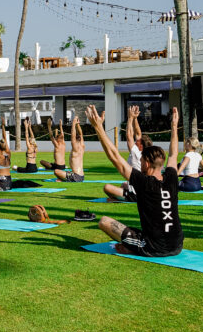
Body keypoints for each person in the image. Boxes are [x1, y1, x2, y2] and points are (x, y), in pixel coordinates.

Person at [87, 104, 183, 257]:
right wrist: (174, 125)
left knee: (104, 222)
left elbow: (114, 157)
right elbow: (174, 154)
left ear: (145, 163)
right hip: (177, 245)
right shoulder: (171, 178)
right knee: (134, 229)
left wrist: (98, 127)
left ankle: (134, 247)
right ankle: (134, 244)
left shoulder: (144, 182)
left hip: (155, 247)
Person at [103, 106, 152, 202]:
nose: (135, 141)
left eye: (137, 142)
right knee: (124, 184)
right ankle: (121, 196)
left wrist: (130, 118)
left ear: (141, 146)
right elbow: (138, 133)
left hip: (136, 194)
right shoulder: (144, 152)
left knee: (107, 187)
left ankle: (120, 199)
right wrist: (135, 118)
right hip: (142, 190)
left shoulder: (136, 153)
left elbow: (129, 136)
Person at [53, 116, 85, 182]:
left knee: (56, 171)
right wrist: (77, 124)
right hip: (81, 176)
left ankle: (64, 179)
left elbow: (73, 136)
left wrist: (73, 124)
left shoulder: (75, 147)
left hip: (76, 177)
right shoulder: (82, 146)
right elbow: (81, 134)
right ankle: (64, 179)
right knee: (66, 172)